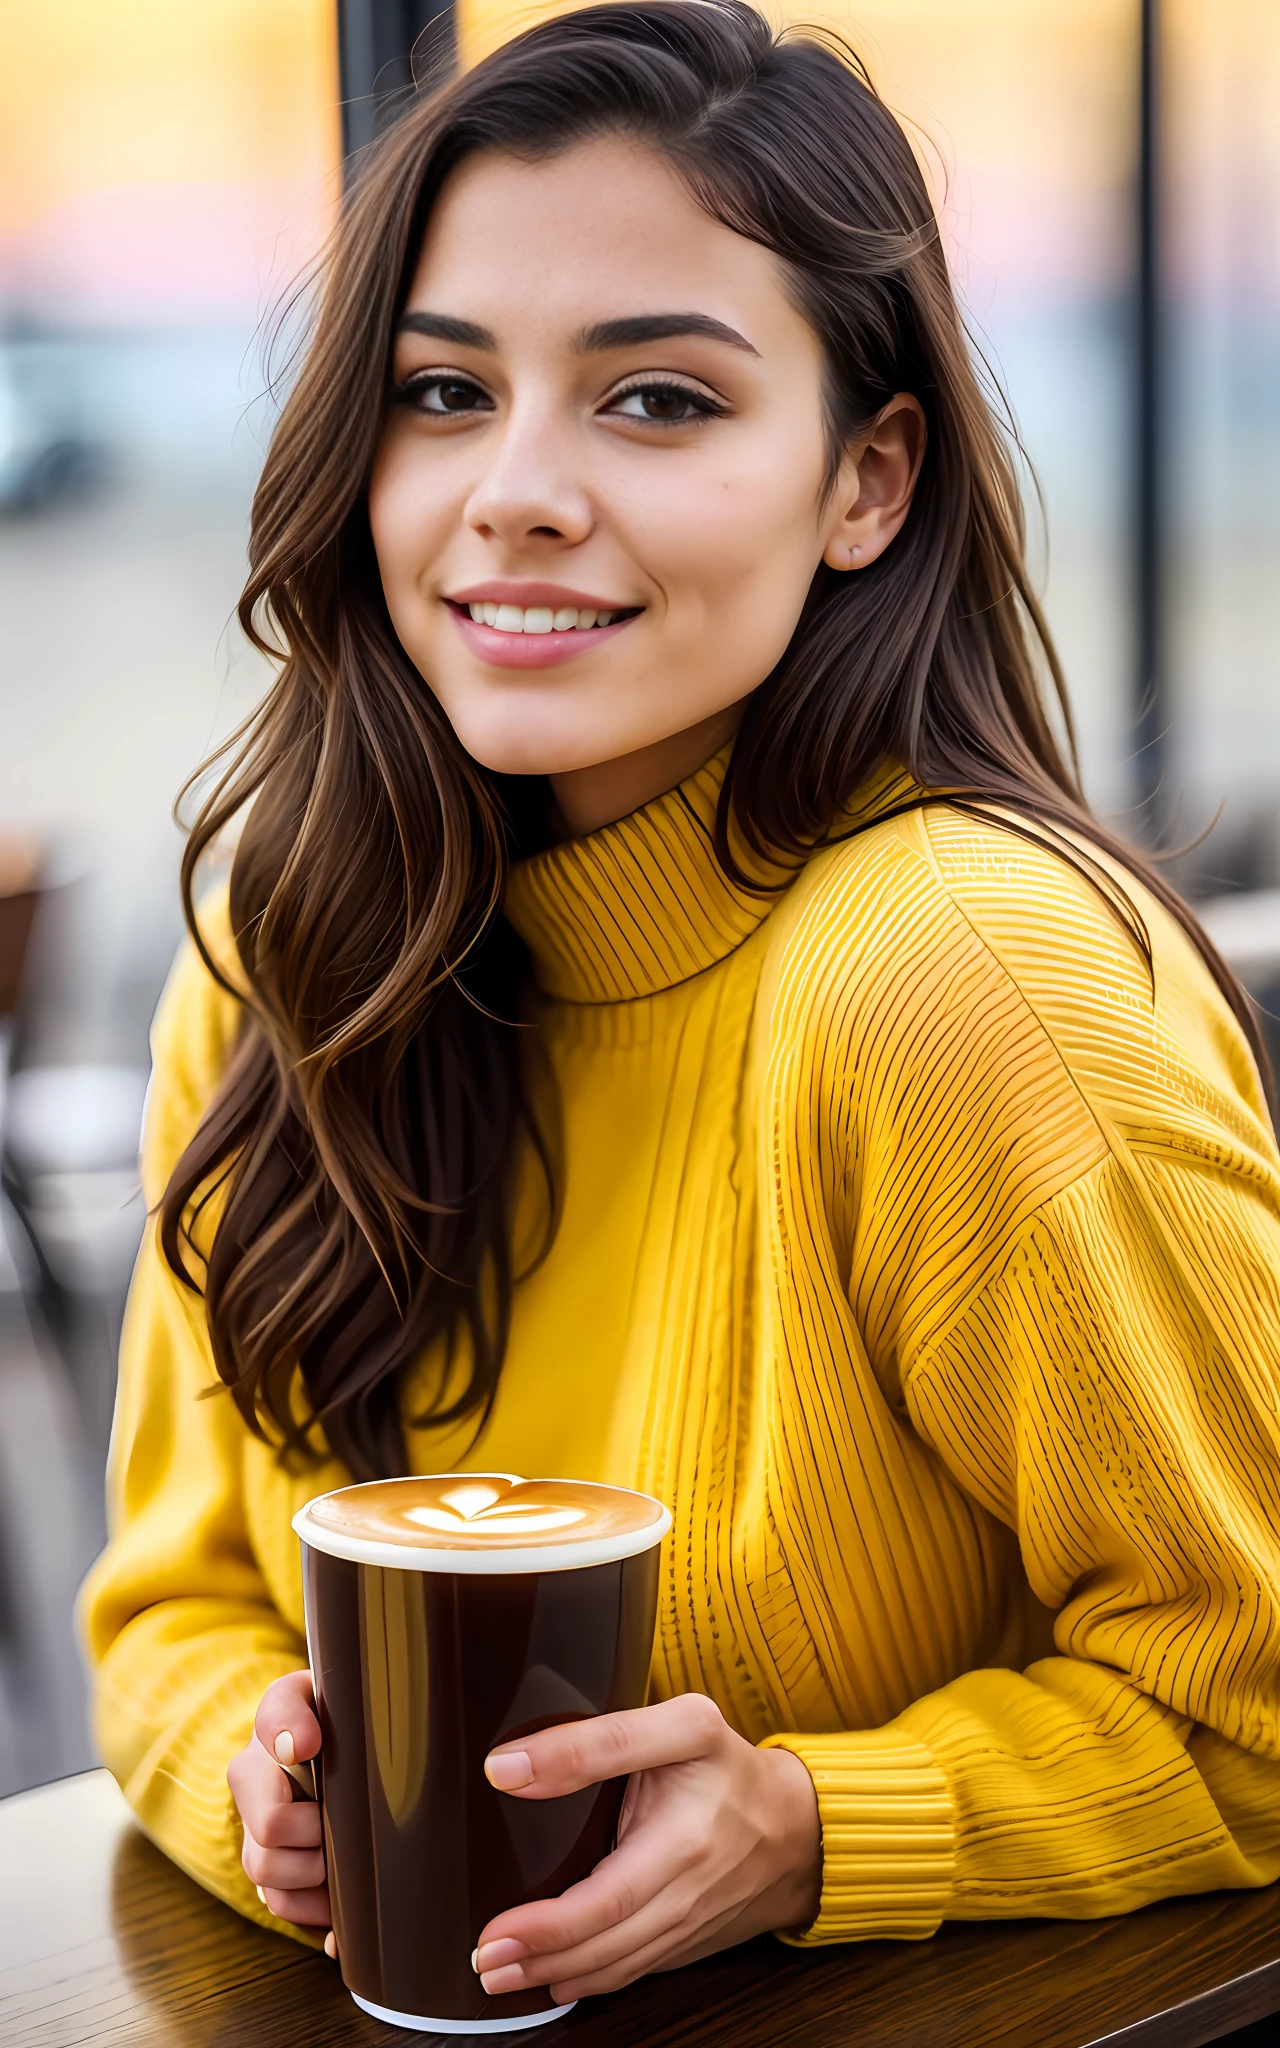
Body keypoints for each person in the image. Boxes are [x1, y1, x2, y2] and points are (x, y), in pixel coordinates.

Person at [82, 0, 1280, 2007]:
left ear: (865, 482)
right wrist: (254, 1774)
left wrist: (818, 1823)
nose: (517, 493)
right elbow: (172, 1602)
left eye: (654, 401)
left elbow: (1254, 1690)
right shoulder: (289, 959)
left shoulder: (962, 975)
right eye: (441, 394)